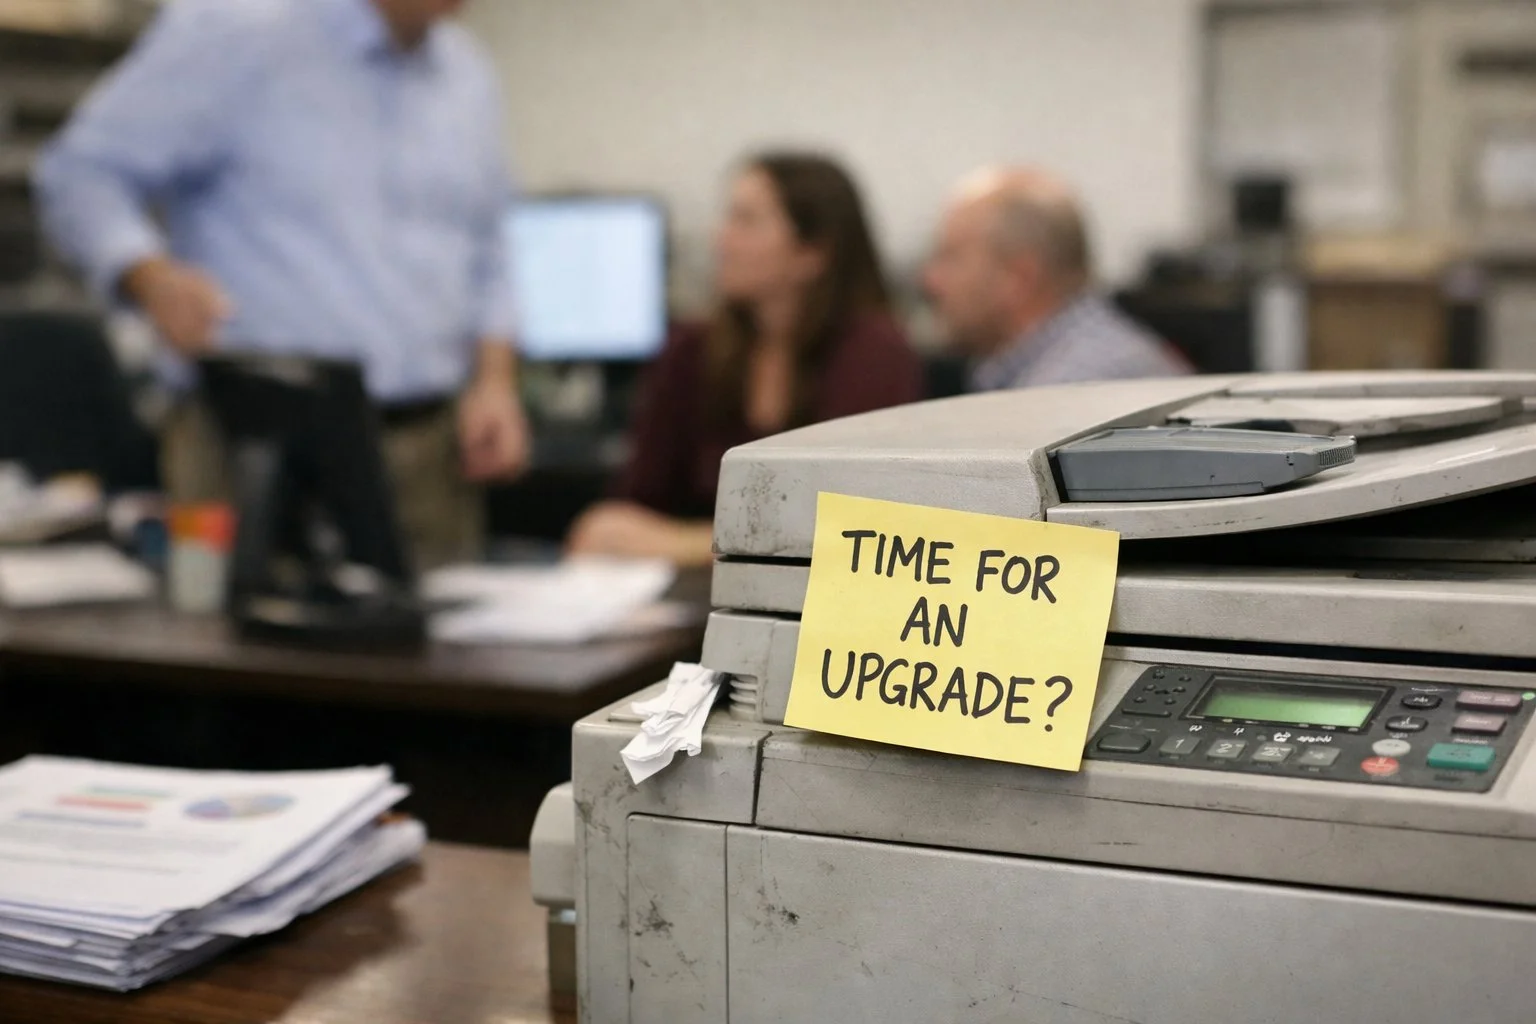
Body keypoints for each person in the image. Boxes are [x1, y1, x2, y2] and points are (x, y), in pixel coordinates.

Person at [34, 0, 529, 570]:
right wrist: (149, 277)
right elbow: (80, 173)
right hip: (258, 443)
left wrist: (495, 381)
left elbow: (490, 246)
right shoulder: (238, 31)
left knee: (445, 650)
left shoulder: (467, 72)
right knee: (242, 648)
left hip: (428, 451)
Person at [567, 153, 921, 567]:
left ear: (813, 252)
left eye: (747, 222)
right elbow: (632, 506)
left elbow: (844, 530)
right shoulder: (692, 349)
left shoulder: (873, 353)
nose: (722, 240)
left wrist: (683, 544)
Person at [924, 166, 1190, 391]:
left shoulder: (1072, 390)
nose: (931, 280)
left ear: (1018, 279)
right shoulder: (1070, 363)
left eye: (951, 257)